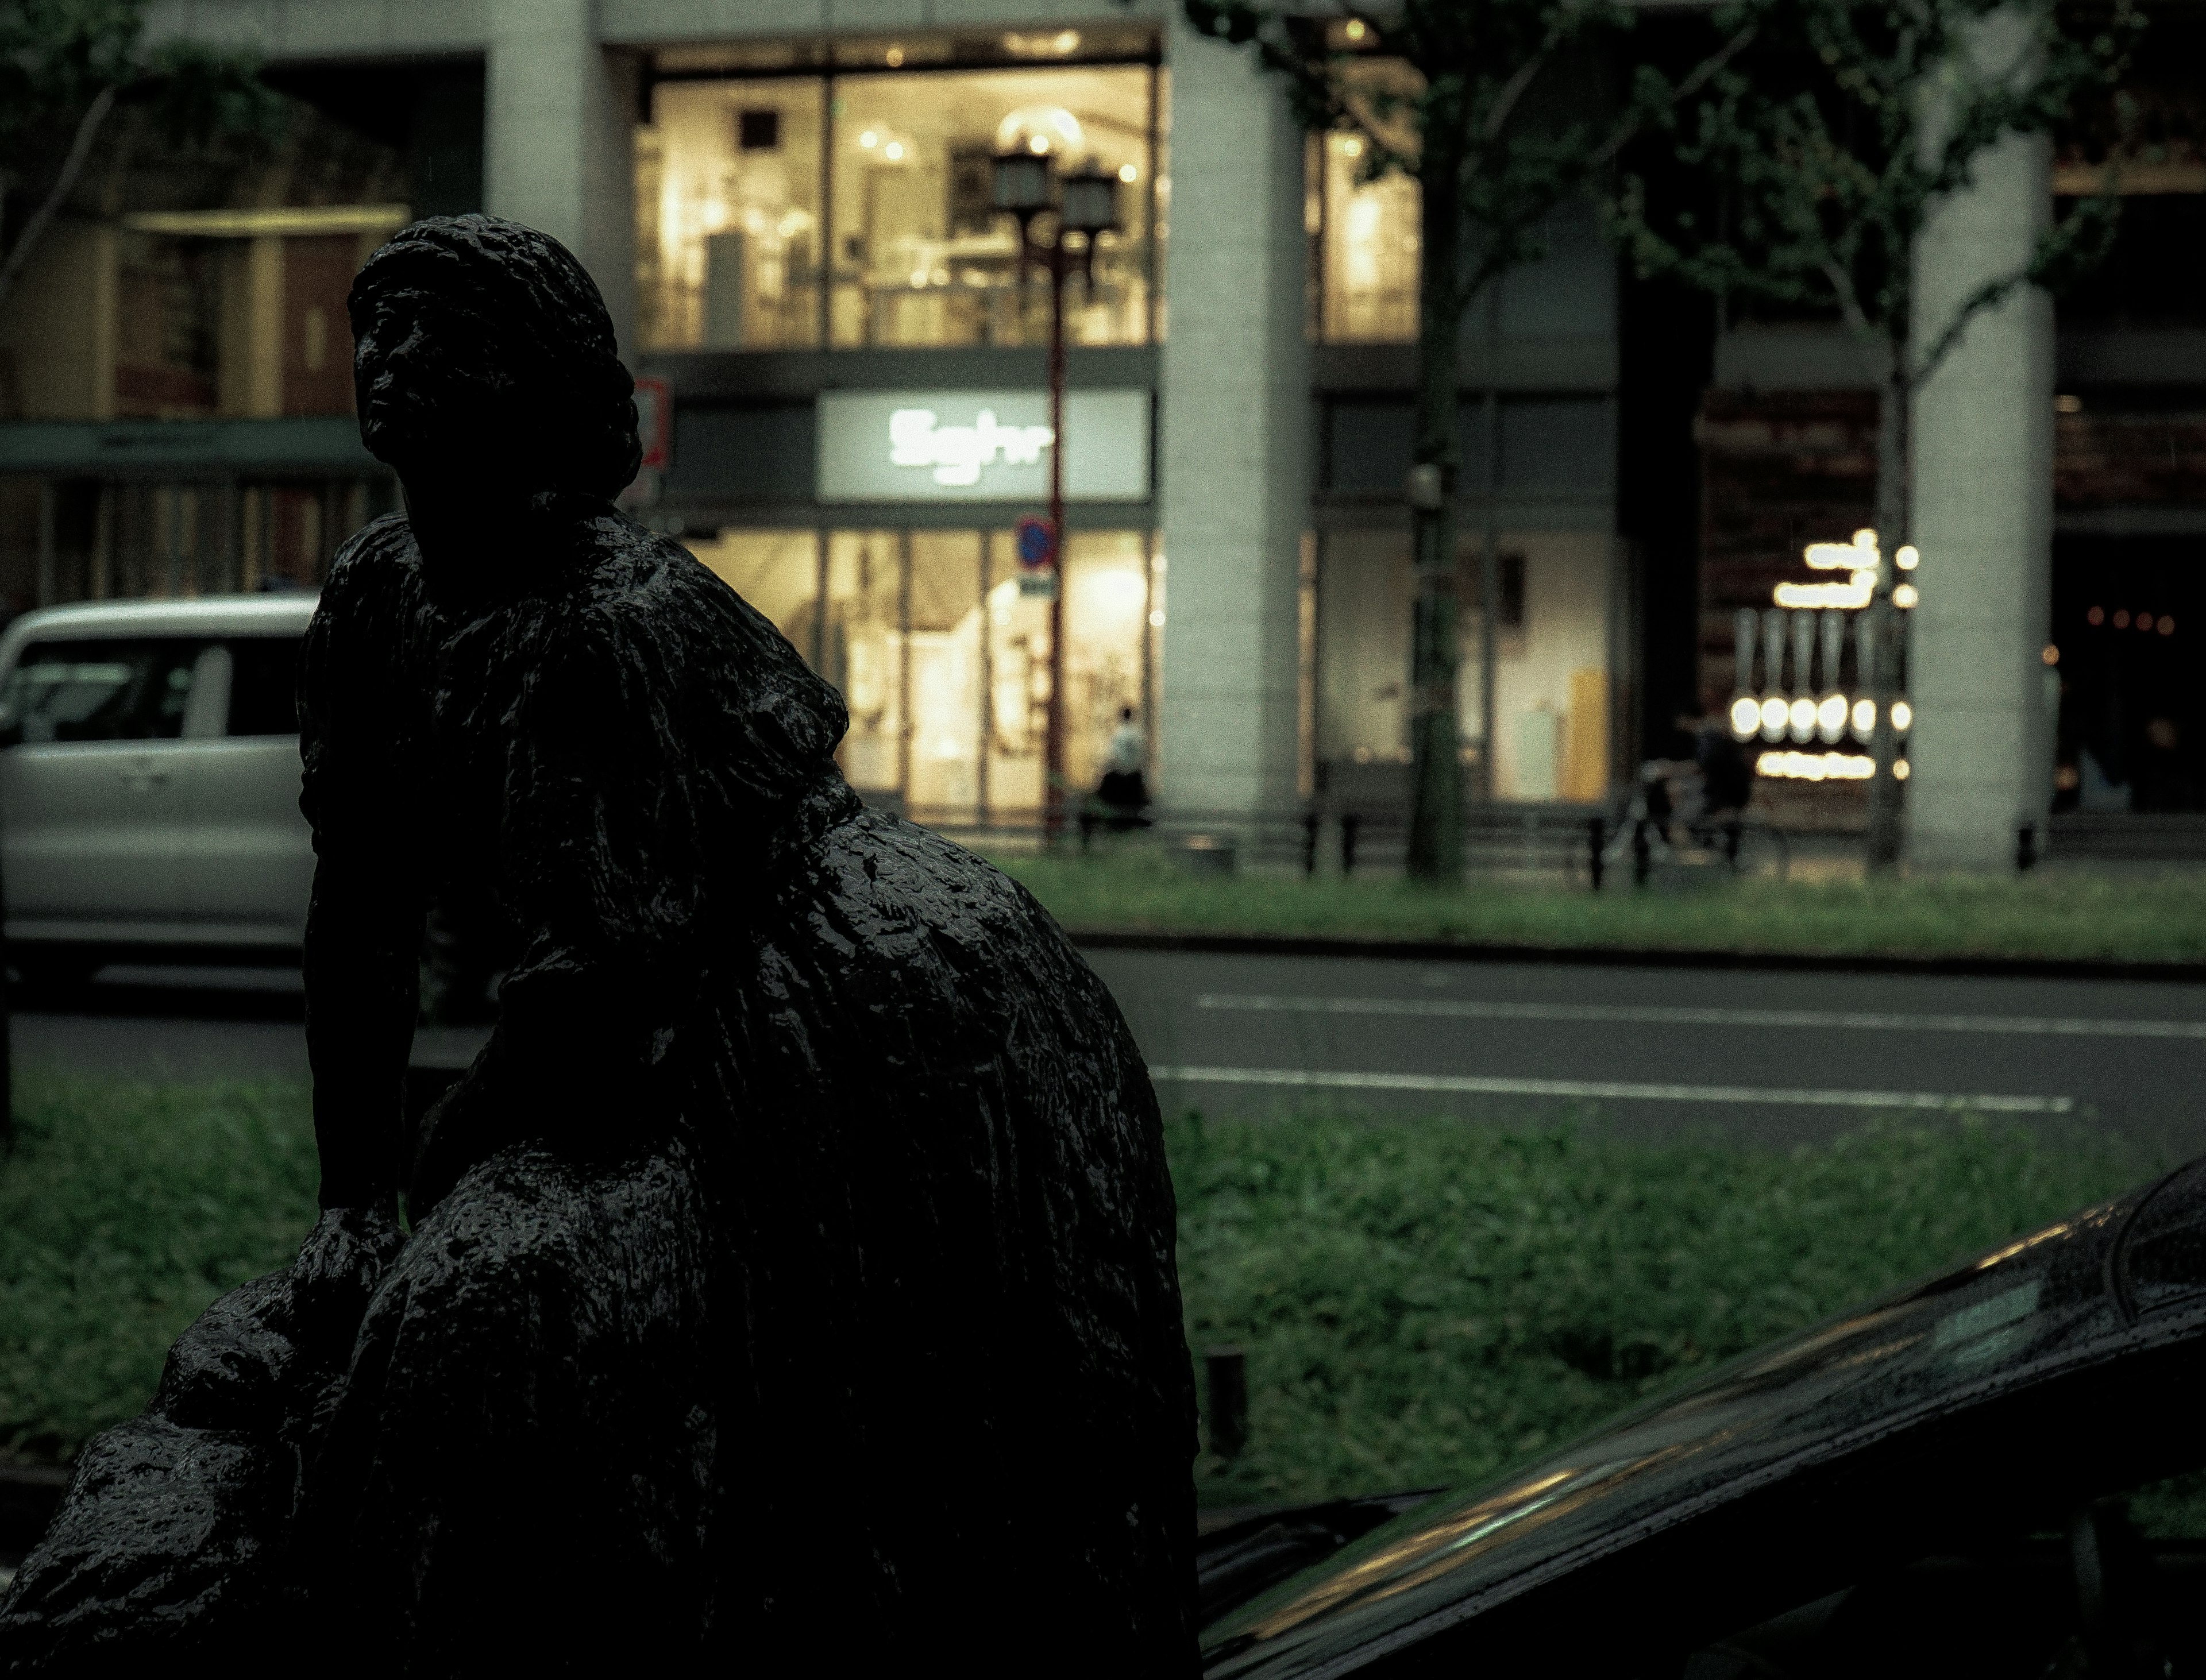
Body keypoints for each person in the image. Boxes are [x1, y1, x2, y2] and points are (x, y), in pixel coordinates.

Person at [0, 216, 1198, 1675]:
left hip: (852, 996)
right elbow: (358, 911)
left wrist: (438, 1163)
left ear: (537, 384)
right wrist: (350, 1194)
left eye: (442, 334)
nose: (390, 358)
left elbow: (609, 987)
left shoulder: (615, 619)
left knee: (894, 1393)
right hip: (669, 997)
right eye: (379, 327)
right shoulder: (376, 599)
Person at [1082, 704, 1151, 845]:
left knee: (1098, 795)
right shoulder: (1138, 735)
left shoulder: (1118, 734)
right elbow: (1140, 758)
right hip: (1134, 780)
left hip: (1120, 779)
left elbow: (1115, 757)